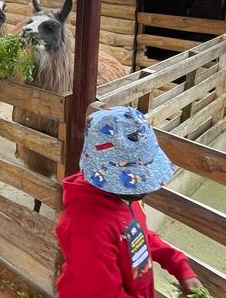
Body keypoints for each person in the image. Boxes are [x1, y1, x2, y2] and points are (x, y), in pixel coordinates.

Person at [56, 106, 202, 297]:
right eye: (135, 180)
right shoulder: (86, 227)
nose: (144, 188)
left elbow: (137, 233)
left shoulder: (123, 197)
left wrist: (178, 264)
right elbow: (103, 293)